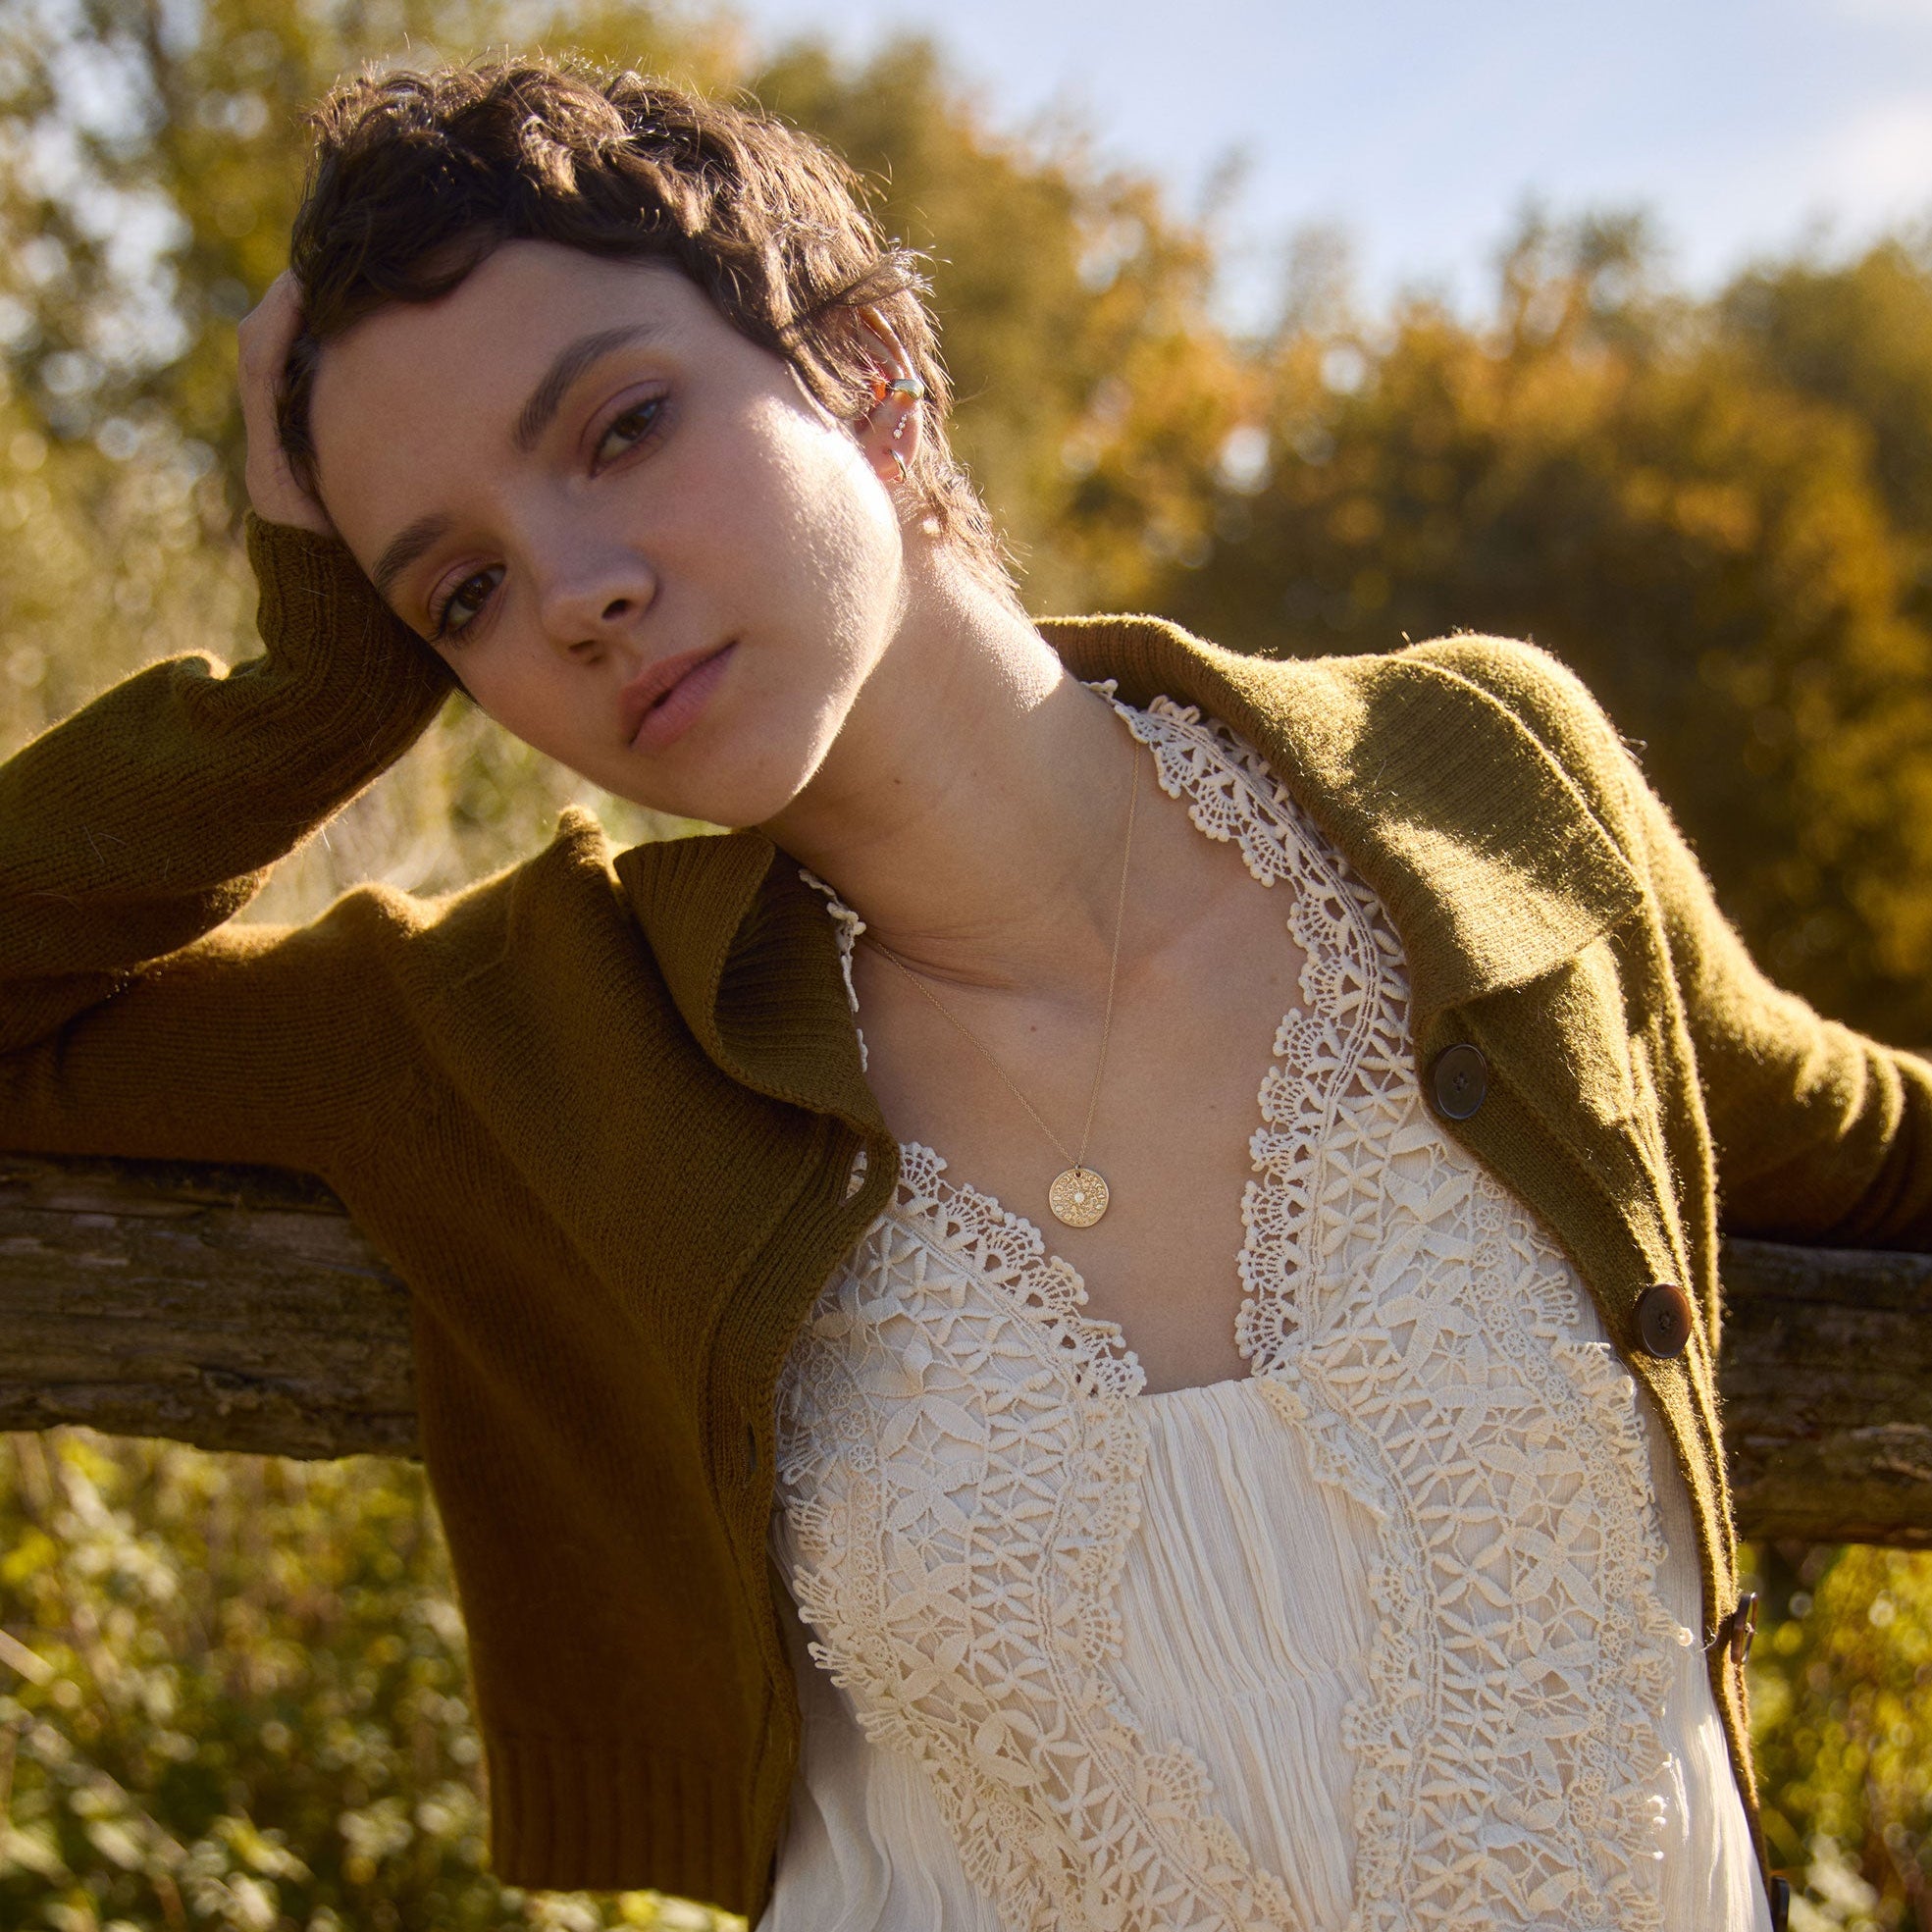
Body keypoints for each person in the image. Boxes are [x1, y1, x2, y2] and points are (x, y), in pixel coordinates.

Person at [3, 55, 1921, 1932]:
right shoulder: (536, 1026)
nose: (574, 586)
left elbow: (1835, 1129)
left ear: (872, 379)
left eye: (619, 428)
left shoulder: (1468, 781)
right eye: (462, 595)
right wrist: (317, 691)